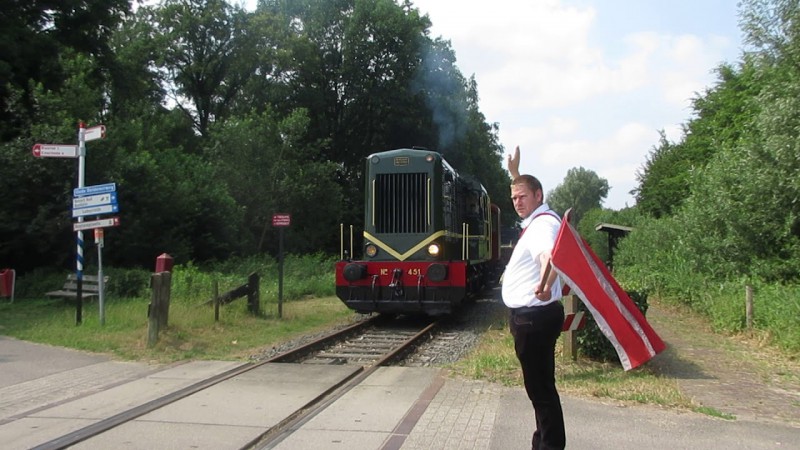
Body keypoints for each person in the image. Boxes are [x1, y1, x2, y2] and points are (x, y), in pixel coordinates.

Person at [502, 146, 566, 450]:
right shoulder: (542, 217)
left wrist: (544, 282)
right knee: (541, 388)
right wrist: (516, 174)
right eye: (514, 198)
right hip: (535, 317)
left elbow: (549, 256)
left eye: (523, 197)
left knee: (540, 391)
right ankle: (543, 441)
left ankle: (549, 446)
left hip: (533, 318)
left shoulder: (543, 225)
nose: (517, 203)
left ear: (539, 196)